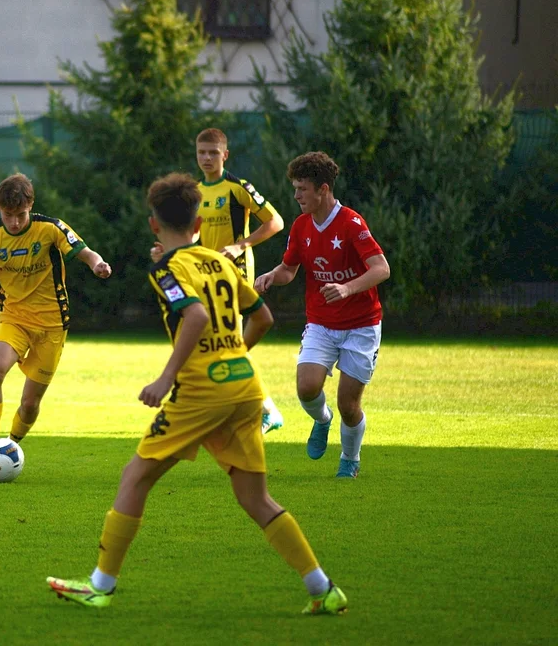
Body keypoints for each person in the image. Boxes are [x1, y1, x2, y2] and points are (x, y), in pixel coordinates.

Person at [47, 172, 347, 615]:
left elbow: (196, 318)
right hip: (245, 386)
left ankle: (99, 586)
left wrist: (166, 378)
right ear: (200, 225)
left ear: (154, 224)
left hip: (202, 392)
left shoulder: (166, 269)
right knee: (255, 498)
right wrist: (230, 356)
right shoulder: (220, 261)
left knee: (135, 477)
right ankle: (323, 588)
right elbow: (261, 317)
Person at [0, 173, 111, 445]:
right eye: (8, 215)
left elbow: (86, 252)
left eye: (20, 214)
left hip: (52, 325)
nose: (15, 221)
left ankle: (11, 445)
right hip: (14, 318)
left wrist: (97, 264)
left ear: (30, 205)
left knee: (30, 403)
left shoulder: (50, 229)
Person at [254, 152, 390, 479]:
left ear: (323, 189)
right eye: (295, 188)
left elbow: (381, 269)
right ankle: (322, 420)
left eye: (302, 189)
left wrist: (346, 288)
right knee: (307, 388)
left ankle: (349, 459)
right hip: (321, 323)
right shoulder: (301, 226)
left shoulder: (352, 223)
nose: (297, 195)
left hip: (361, 326)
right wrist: (272, 275)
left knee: (349, 405)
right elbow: (289, 269)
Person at [152, 128, 286, 435]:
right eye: (202, 152)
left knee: (228, 345)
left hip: (235, 274)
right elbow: (193, 234)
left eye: (213, 152)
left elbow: (275, 221)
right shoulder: (196, 192)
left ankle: (261, 409)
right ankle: (254, 408)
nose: (207, 158)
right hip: (203, 273)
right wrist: (168, 248)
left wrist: (242, 245)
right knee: (221, 345)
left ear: (225, 155)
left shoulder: (238, 187)